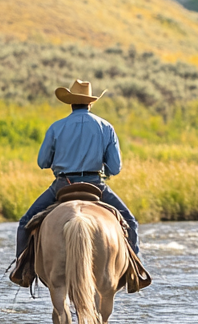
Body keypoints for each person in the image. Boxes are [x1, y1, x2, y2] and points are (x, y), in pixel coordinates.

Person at [14, 79, 140, 258]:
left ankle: (22, 269)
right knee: (130, 222)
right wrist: (105, 169)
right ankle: (135, 269)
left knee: (25, 222)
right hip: (96, 185)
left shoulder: (56, 127)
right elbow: (115, 167)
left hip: (62, 185)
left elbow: (42, 162)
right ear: (90, 103)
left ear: (70, 102)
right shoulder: (106, 127)